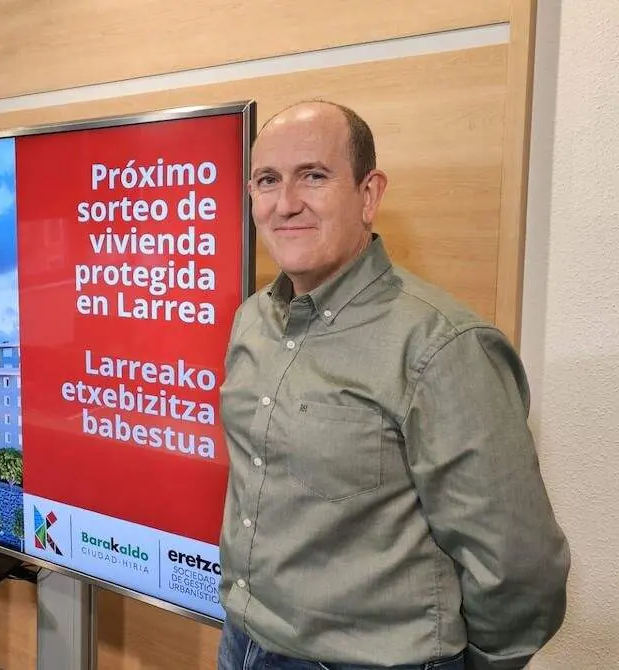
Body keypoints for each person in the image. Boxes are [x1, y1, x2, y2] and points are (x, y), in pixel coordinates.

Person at [217, 101, 570, 670]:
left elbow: (519, 565)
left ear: (369, 193)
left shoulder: (443, 344)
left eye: (314, 175)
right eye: (267, 181)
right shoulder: (253, 320)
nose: (286, 204)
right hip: (244, 642)